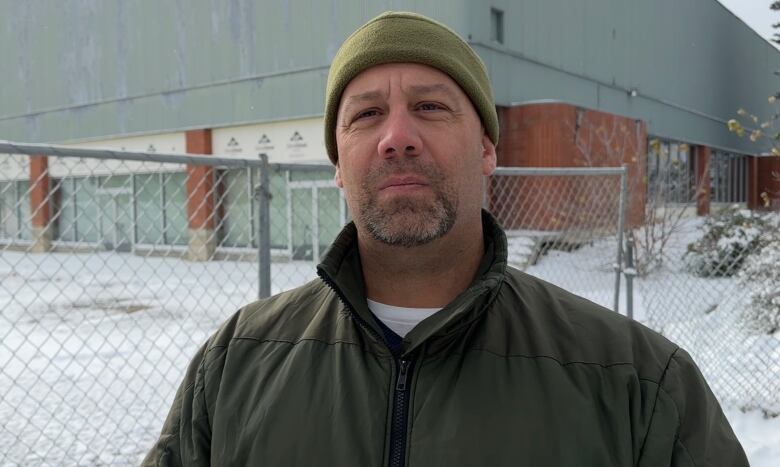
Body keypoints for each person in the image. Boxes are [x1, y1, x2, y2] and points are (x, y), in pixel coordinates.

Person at [143, 11, 748, 466]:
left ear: (487, 148)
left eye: (430, 107)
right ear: (337, 162)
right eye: (366, 114)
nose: (397, 137)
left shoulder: (637, 383)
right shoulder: (236, 365)